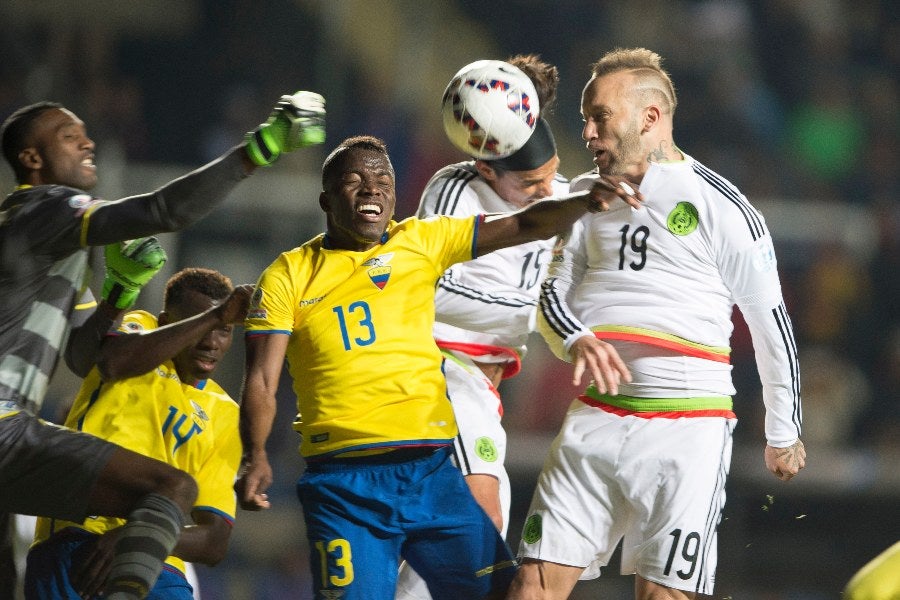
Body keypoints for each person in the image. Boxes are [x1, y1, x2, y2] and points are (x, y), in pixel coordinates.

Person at [235, 135, 641, 600]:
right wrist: (256, 454)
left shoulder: (421, 241)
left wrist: (585, 202)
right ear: (326, 199)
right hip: (343, 485)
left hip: (430, 473)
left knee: (501, 593)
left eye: (382, 181)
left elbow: (525, 223)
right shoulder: (287, 274)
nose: (372, 190)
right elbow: (262, 380)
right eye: (354, 182)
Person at [506, 47, 806, 600]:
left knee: (661, 596)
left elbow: (770, 320)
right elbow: (546, 295)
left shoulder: (722, 205)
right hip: (593, 418)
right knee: (531, 584)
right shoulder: (576, 198)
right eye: (584, 121)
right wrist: (576, 338)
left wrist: (783, 429)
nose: (590, 134)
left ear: (651, 117)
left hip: (687, 427)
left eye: (600, 117)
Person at [0, 91, 325, 599]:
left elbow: (85, 354)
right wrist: (258, 149)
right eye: (68, 135)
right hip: (8, 429)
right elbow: (163, 210)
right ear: (32, 159)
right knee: (172, 489)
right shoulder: (47, 206)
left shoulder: (45, 240)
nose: (87, 141)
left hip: (16, 435)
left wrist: (117, 292)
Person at [395, 55, 566, 600]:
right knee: (477, 524)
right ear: (488, 169)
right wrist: (533, 309)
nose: (546, 190)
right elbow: (429, 286)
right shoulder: (454, 191)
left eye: (551, 174)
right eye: (531, 182)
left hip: (483, 390)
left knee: (453, 548)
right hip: (439, 368)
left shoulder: (563, 200)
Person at [26, 267, 251, 599]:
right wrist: (217, 314)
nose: (210, 342)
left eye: (224, 330)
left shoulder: (226, 414)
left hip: (159, 565)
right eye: (200, 325)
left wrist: (134, 538)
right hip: (79, 540)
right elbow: (113, 362)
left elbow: (214, 542)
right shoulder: (140, 336)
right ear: (165, 321)